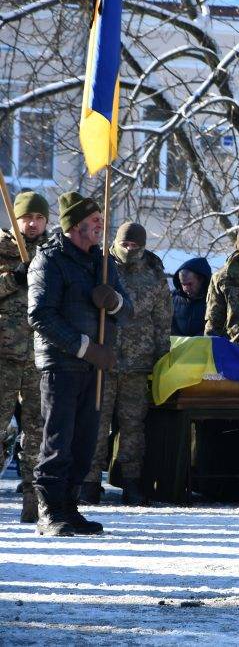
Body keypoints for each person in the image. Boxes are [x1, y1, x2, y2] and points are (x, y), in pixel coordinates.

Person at [27, 192, 133, 536]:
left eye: (100, 218)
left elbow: (128, 310)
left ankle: (69, 507)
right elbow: (40, 315)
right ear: (74, 225)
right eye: (93, 220)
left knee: (85, 442)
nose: (100, 224)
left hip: (95, 368)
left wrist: (114, 302)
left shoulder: (103, 263)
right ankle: (49, 510)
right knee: (59, 439)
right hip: (61, 364)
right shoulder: (50, 260)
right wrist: (86, 347)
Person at [83, 222, 172, 506]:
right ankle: (89, 481)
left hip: (138, 361)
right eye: (126, 245)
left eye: (135, 246)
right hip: (103, 358)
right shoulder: (101, 266)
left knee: (133, 426)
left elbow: (162, 317)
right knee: (96, 423)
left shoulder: (154, 273)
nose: (130, 250)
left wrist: (162, 354)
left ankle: (132, 482)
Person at [0, 191, 50, 522]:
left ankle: (33, 499)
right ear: (15, 220)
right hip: (4, 353)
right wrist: (13, 278)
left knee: (37, 429)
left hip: (39, 356)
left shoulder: (52, 254)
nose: (32, 224)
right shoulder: (2, 251)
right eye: (26, 218)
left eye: (38, 218)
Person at [171, 257, 211, 336]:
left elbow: (216, 326)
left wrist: (195, 340)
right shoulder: (173, 298)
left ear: (201, 280)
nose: (186, 288)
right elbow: (166, 324)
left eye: (189, 284)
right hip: (178, 346)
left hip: (205, 345)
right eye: (183, 284)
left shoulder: (214, 299)